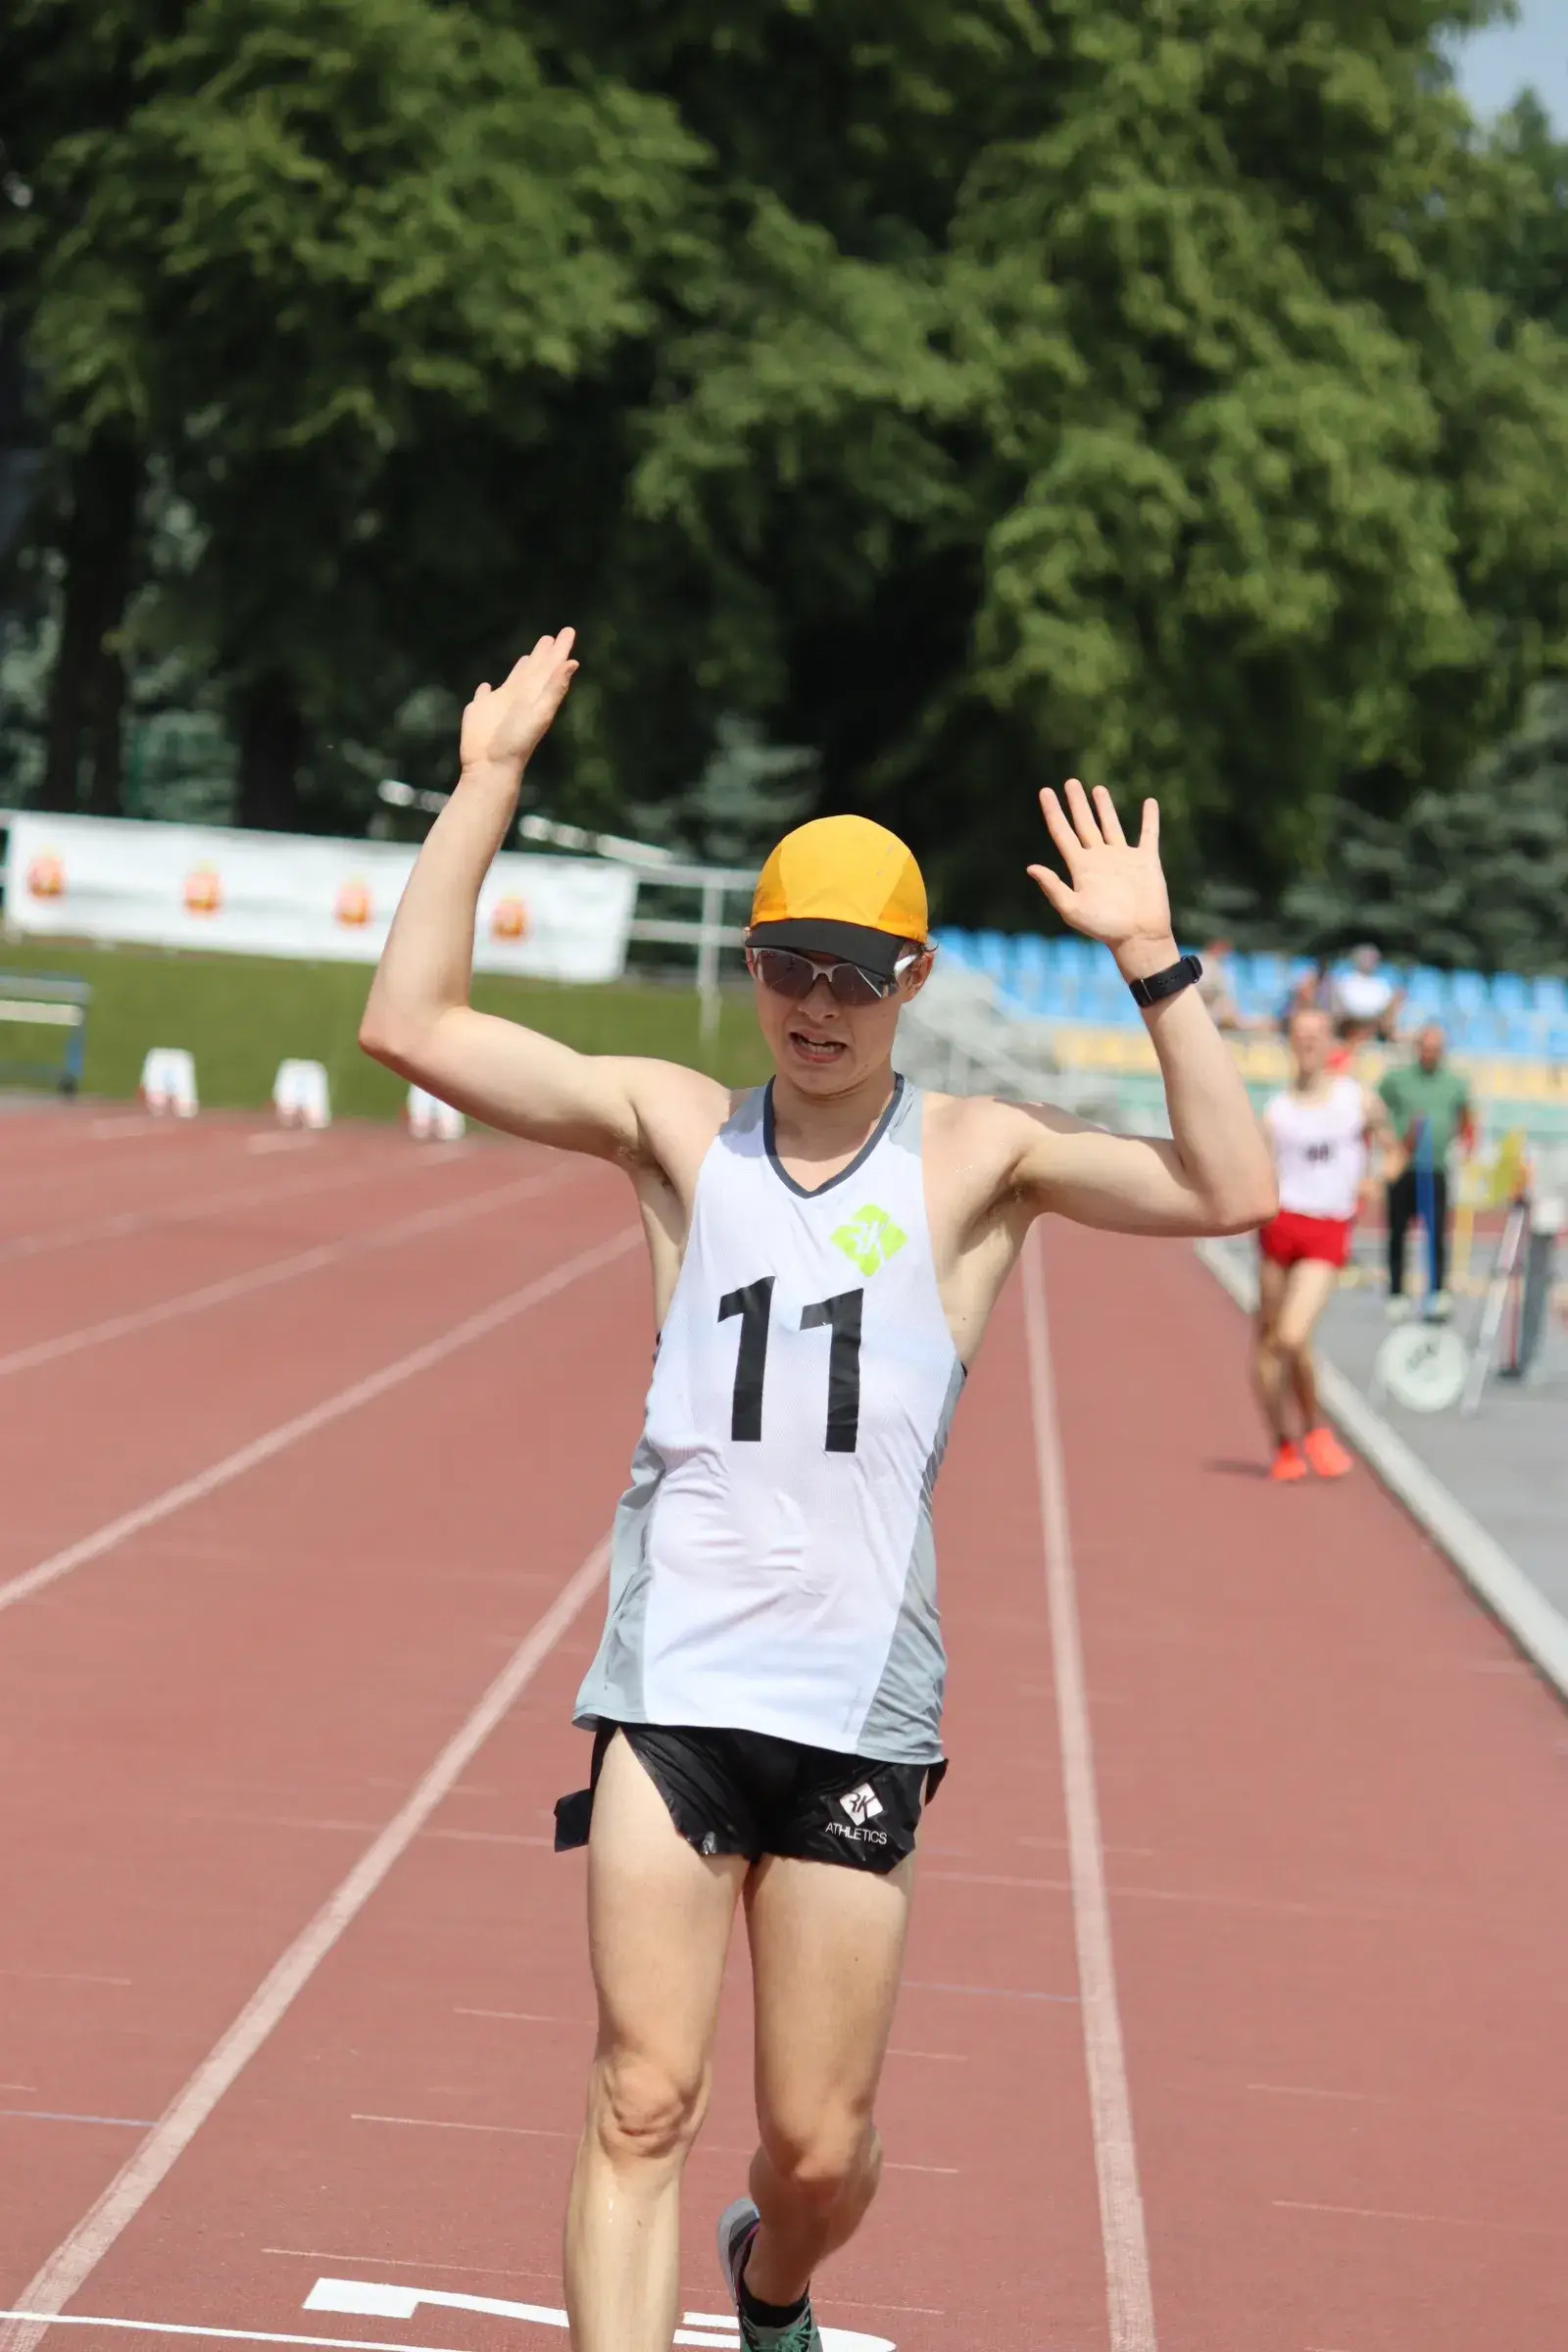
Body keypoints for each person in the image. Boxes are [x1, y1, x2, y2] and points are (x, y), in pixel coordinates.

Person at [359, 628, 1276, 2352]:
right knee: (640, 2096)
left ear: (910, 980)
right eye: (793, 966)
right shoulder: (673, 1129)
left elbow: (1230, 1185)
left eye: (857, 975)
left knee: (817, 2147)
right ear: (757, 963)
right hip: (676, 1686)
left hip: (857, 1705)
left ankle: (772, 2281)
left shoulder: (977, 1161)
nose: (820, 1006)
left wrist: (1156, 963)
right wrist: (485, 782)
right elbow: (407, 1023)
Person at [1253, 1005, 1392, 1484]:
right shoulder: (1277, 1111)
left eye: (1317, 1034)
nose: (1309, 1042)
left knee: (1292, 1336)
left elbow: (1393, 1150)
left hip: (1328, 1228)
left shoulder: (1357, 1099)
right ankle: (1282, 1443)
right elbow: (1260, 1173)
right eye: (1300, 1035)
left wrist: (1378, 1180)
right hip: (1280, 1225)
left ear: (1331, 1040)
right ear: (1291, 1043)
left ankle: (1314, 1427)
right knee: (1269, 1345)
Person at [1379, 1022, 1474, 1321]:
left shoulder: (1454, 1083)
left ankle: (1437, 1292)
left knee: (1436, 1232)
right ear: (1418, 1048)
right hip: (1404, 1167)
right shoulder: (1398, 1079)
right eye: (1426, 1047)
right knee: (1397, 1231)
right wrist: (1391, 1141)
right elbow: (1377, 1108)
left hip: (1435, 1168)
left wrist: (1462, 1141)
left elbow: (1466, 1116)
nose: (1431, 1053)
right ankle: (1396, 1292)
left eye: (1436, 1048)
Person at [1329, 943, 1402, 1048]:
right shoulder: (1344, 983)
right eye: (1365, 957)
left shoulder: (1381, 985)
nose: (1368, 961)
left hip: (1374, 1032)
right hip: (1349, 1031)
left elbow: (1386, 1013)